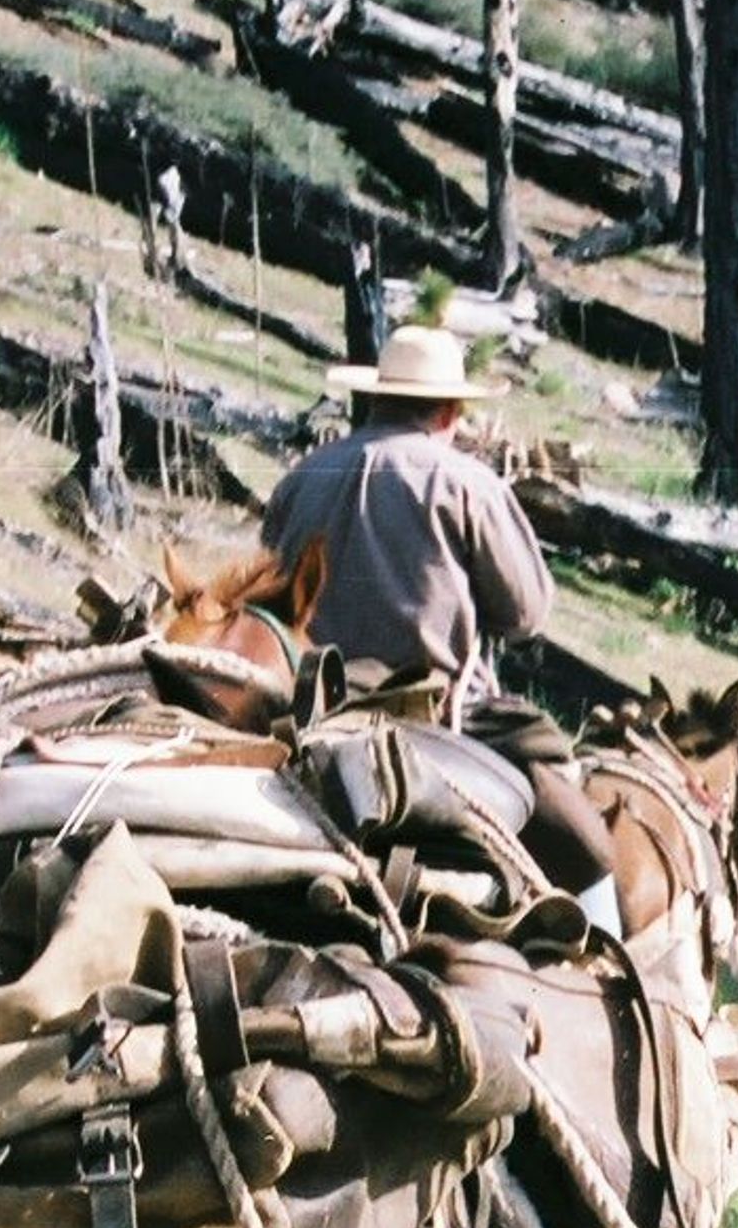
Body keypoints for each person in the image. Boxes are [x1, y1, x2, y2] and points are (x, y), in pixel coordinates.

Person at [262, 324, 619, 922]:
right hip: (441, 713)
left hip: (311, 705)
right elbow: (526, 614)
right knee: (587, 845)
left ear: (374, 398)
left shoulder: (304, 476)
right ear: (452, 411)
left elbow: (270, 586)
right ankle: (611, 967)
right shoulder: (466, 484)